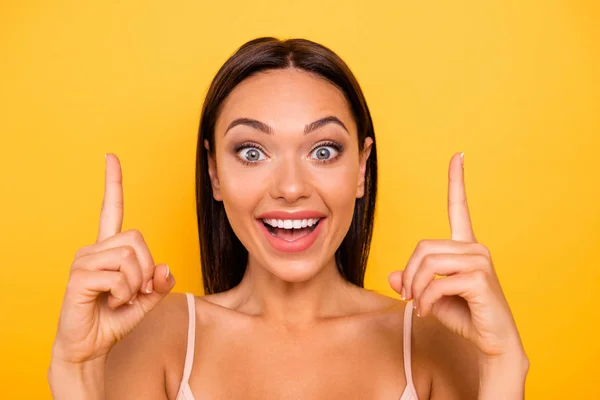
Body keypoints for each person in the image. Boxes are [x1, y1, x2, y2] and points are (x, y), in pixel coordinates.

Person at [48, 37, 529, 399]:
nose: (292, 187)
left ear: (361, 169)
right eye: (252, 151)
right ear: (215, 173)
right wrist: (76, 370)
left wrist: (505, 365)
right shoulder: (162, 336)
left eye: (323, 150)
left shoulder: (429, 338)